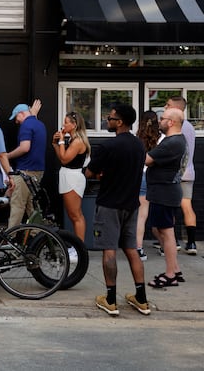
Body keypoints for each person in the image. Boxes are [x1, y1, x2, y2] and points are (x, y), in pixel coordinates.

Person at [85, 104, 149, 316]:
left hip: (109, 205)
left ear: (120, 122)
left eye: (110, 118)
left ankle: (110, 299)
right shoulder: (139, 146)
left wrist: (98, 174)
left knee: (109, 249)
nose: (107, 120)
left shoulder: (108, 146)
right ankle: (142, 299)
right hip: (131, 205)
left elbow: (89, 173)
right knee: (132, 249)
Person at [146, 107, 188, 288]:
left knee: (166, 232)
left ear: (171, 122)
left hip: (165, 192)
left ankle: (170, 274)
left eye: (162, 119)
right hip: (165, 191)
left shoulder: (172, 143)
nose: (159, 121)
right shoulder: (176, 140)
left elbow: (146, 159)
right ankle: (175, 269)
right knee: (161, 230)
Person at [6, 102, 47, 228]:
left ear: (21, 113)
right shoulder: (40, 124)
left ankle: (10, 237)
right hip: (38, 170)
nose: (16, 122)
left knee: (17, 204)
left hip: (25, 170)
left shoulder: (26, 125)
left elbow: (25, 147)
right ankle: (39, 236)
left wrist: (6, 156)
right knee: (32, 206)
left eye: (16, 118)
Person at [52, 111, 91, 243]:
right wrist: (55, 144)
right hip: (68, 176)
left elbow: (64, 159)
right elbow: (62, 157)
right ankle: (78, 246)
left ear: (74, 124)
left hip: (73, 178)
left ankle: (80, 248)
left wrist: (62, 141)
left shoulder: (78, 141)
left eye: (66, 122)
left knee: (76, 215)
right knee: (72, 214)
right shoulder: (72, 139)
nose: (63, 124)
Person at [165, 96, 197, 255]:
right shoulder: (191, 127)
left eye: (168, 105)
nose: (165, 107)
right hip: (189, 172)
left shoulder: (175, 126)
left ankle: (174, 241)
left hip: (175, 173)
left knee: (170, 208)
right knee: (187, 207)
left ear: (177, 108)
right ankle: (191, 243)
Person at [135, 110, 162, 261]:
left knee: (141, 215)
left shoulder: (136, 137)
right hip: (157, 178)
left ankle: (139, 248)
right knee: (162, 213)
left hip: (140, 177)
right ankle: (166, 245)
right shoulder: (162, 138)